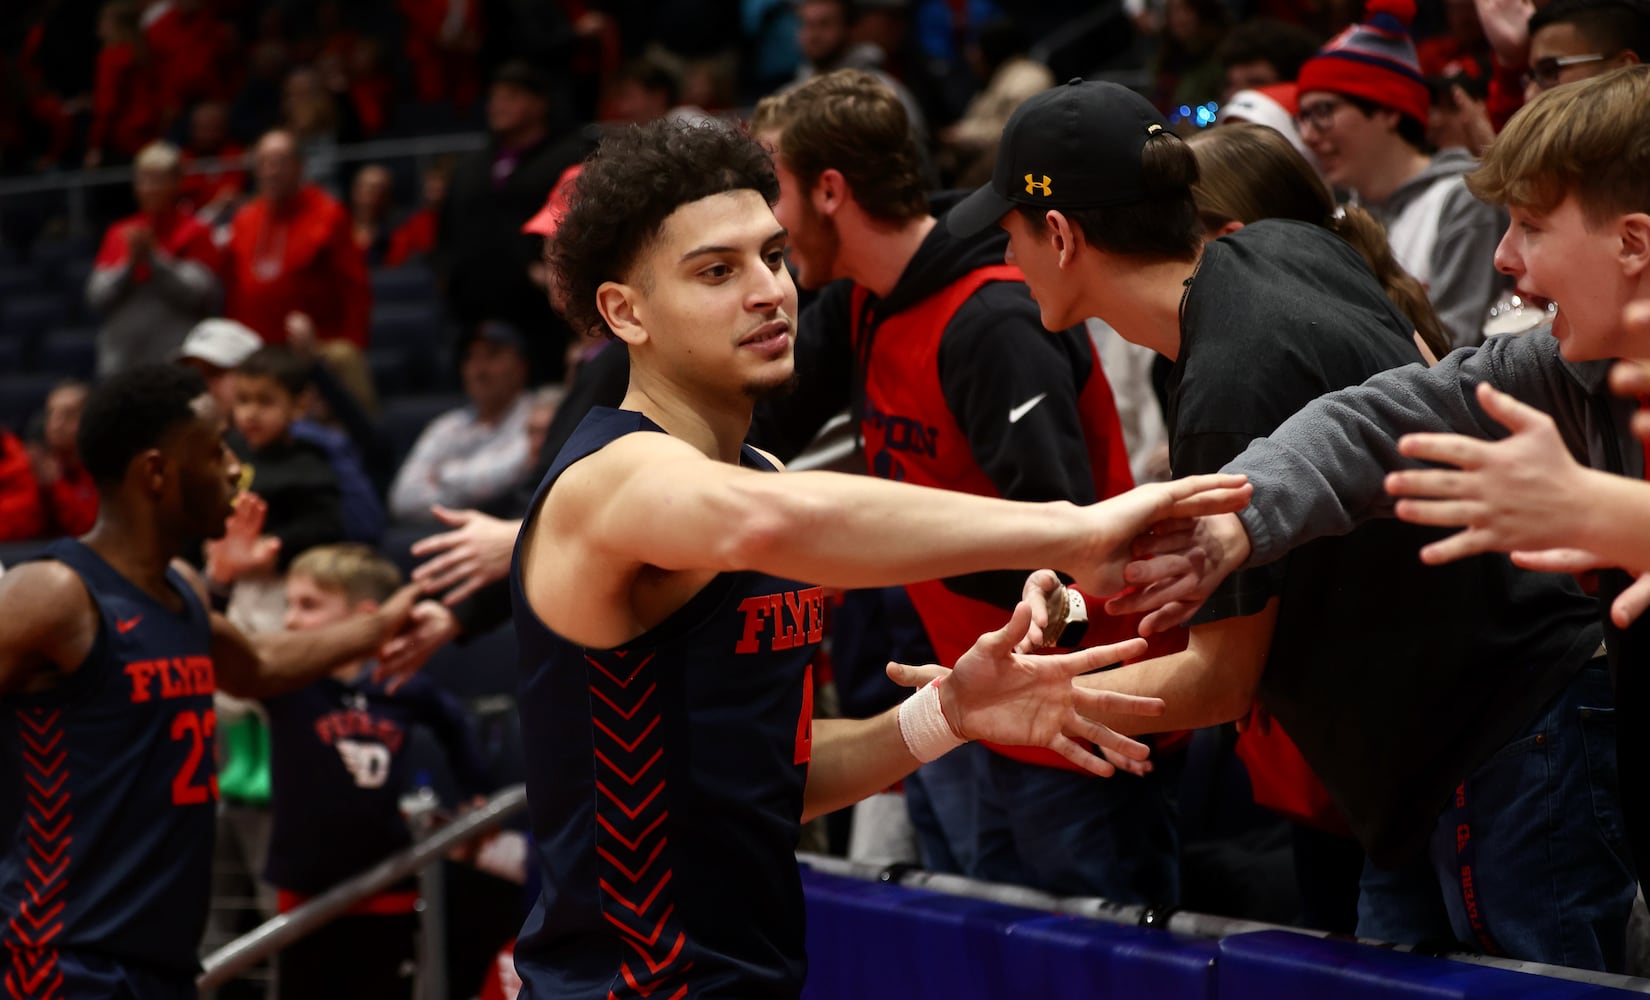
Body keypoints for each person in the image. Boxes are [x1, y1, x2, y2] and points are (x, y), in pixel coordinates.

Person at [508, 116, 1252, 997]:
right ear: (624, 311)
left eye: (774, 257)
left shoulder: (763, 471)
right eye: (717, 271)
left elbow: (771, 779)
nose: (768, 292)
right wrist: (1075, 529)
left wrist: (950, 713)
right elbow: (764, 523)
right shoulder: (613, 479)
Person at [941, 78, 1628, 967]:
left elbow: (1221, 683)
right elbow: (1391, 403)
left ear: (1063, 236)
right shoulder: (1276, 252)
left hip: (1498, 743)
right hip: (1459, 745)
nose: (1006, 256)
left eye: (1011, 233)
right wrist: (1085, 589)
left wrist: (1025, 706)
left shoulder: (1229, 382)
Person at [1122, 69, 1650, 905]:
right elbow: (1377, 417)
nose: (1503, 258)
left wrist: (1612, 516)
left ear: (1632, 244)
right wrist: (1238, 519)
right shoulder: (1555, 365)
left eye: (1531, 227)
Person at [748, 68, 1180, 905]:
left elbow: (1066, 549)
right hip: (968, 709)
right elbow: (758, 432)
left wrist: (869, 549)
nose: (772, 221)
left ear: (831, 190)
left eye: (777, 190)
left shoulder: (990, 320)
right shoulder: (869, 301)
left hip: (1071, 722)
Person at [0, 364, 431, 997]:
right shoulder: (54, 593)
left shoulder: (184, 589)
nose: (235, 468)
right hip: (62, 960)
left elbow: (256, 665)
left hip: (163, 963)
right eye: (216, 449)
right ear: (155, 473)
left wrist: (380, 628)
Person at [264, 543, 485, 1000]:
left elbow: (455, 723)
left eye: (307, 605)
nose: (290, 620)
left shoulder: (401, 684)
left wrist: (473, 790)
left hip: (385, 883)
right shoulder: (289, 682)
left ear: (364, 617)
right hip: (305, 891)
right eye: (289, 604)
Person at [1295, 0, 1508, 348]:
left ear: (1390, 110)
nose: (1308, 135)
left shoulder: (1461, 200)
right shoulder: (1340, 217)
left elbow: (1455, 351)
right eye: (1301, 118)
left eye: (1323, 111)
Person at [222, 129, 371, 349]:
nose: (271, 171)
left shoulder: (328, 214)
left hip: (315, 348)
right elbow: (234, 288)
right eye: (263, 162)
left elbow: (354, 288)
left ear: (300, 166)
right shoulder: (245, 218)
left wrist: (352, 346)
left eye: (280, 162)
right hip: (254, 351)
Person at [87, 140, 223, 377]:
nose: (149, 188)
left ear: (177, 182)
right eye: (143, 179)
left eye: (158, 180)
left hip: (175, 366)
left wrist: (155, 261)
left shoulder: (195, 231)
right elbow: (97, 296)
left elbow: (201, 294)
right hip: (123, 366)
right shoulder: (121, 232)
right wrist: (129, 265)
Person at [388, 321, 535, 524]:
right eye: (470, 358)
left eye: (492, 356)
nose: (479, 369)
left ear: (521, 367)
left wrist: (443, 475)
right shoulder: (446, 426)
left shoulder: (538, 417)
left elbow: (509, 474)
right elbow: (403, 499)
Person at [31, 380, 99, 538]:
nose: (56, 424)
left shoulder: (103, 470)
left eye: (68, 415)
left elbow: (90, 530)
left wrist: (55, 486)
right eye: (51, 414)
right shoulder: (30, 464)